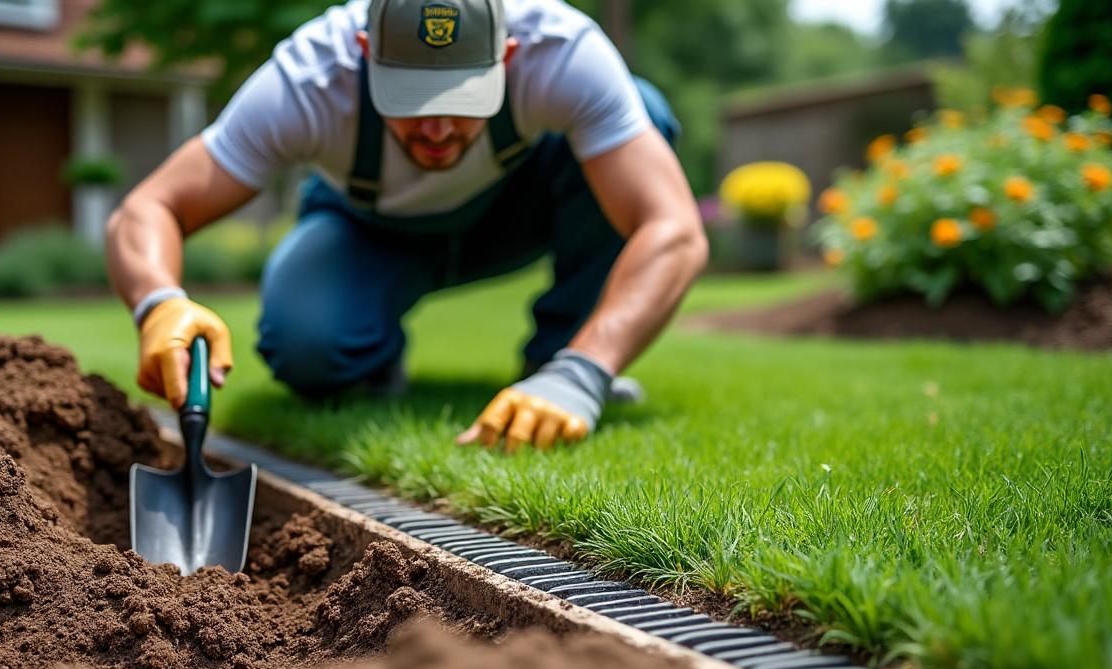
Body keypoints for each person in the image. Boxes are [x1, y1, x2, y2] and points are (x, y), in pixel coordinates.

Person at [105, 0, 708, 452]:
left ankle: (559, 369)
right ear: (366, 55)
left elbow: (673, 227)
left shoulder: (562, 49)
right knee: (305, 346)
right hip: (372, 230)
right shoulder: (309, 77)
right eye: (413, 99)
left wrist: (586, 370)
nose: (439, 129)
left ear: (509, 58)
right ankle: (373, 358)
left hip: (514, 214)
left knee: (642, 112)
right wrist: (159, 303)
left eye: (464, 97)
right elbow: (149, 207)